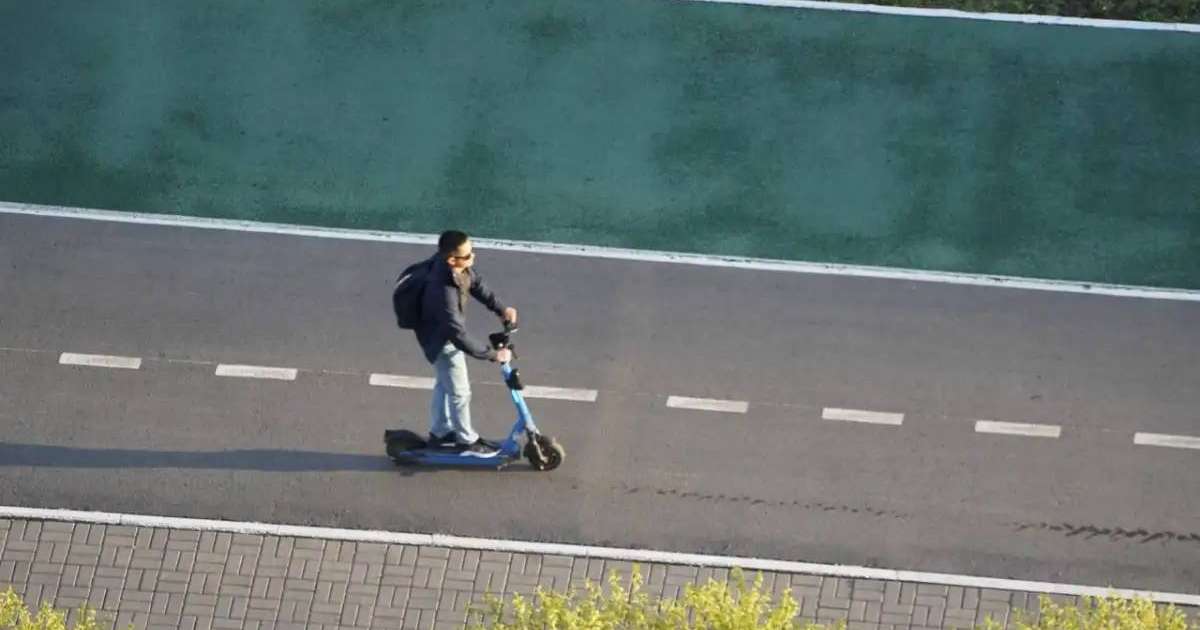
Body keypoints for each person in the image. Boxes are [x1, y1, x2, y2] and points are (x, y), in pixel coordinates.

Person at [415, 230, 517, 455]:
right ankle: (466, 441)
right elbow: (457, 335)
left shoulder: (455, 268)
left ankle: (440, 431)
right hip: (441, 340)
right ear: (452, 259)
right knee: (460, 392)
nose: (473, 257)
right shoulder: (442, 291)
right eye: (468, 255)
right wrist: (492, 354)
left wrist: (501, 309)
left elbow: (475, 282)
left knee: (445, 384)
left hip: (441, 332)